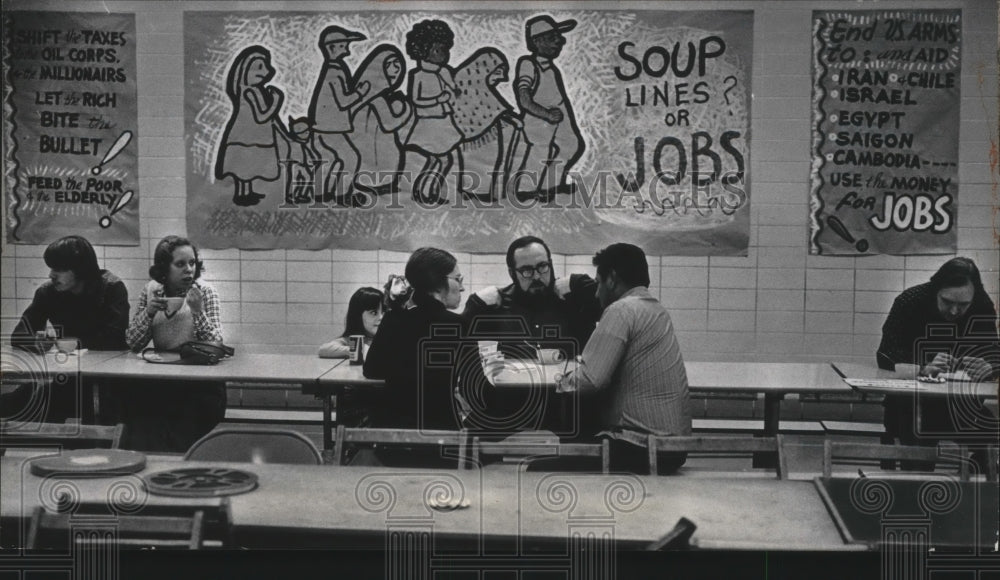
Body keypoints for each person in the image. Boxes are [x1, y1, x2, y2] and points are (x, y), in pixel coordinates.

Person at [556, 243, 692, 475]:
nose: (596, 293)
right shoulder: (656, 310)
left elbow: (590, 380)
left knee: (538, 466)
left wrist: (558, 380)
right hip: (674, 448)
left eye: (598, 283)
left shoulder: (620, 310)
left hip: (639, 446)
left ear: (612, 279)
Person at [877, 257, 999, 470]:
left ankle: (974, 481)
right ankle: (916, 484)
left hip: (960, 406)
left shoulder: (982, 305)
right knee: (918, 441)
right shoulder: (910, 301)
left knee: (992, 435)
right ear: (935, 289)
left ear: (974, 297)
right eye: (947, 301)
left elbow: (993, 351)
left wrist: (989, 366)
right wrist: (923, 366)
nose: (954, 311)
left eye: (963, 305)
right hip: (910, 405)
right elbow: (886, 353)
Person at [363, 247, 476, 466]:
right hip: (442, 440)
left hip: (392, 441)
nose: (462, 286)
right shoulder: (459, 325)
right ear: (438, 282)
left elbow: (372, 369)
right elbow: (474, 386)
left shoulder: (393, 320)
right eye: (458, 279)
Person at [6, 236, 129, 423]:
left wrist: (71, 344)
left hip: (109, 376)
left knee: (104, 411)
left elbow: (116, 337)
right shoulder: (48, 292)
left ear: (80, 269)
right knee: (31, 402)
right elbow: (18, 336)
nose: (51, 275)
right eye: (51, 268)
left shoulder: (111, 288)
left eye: (59, 269)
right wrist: (36, 342)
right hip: (70, 374)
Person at [121, 236, 226, 453]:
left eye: (192, 263)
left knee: (183, 427)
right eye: (180, 264)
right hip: (161, 378)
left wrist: (198, 312)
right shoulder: (151, 291)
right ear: (164, 269)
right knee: (136, 411)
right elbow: (133, 343)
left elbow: (216, 344)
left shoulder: (205, 292)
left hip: (198, 382)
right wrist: (148, 313)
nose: (189, 270)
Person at [463, 236, 601, 356]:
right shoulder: (496, 305)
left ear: (551, 265)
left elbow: (610, 309)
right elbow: (460, 343)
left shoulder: (574, 295)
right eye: (526, 270)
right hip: (515, 379)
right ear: (512, 273)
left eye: (542, 266)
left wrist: (583, 285)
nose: (536, 276)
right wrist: (475, 304)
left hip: (570, 378)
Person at [511, 15, 584, 202]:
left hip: (560, 115)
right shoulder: (528, 64)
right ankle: (526, 189)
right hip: (538, 117)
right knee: (539, 151)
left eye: (559, 37)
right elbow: (524, 98)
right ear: (537, 41)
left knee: (571, 144)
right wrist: (546, 114)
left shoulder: (551, 68)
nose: (559, 41)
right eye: (552, 37)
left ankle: (550, 184)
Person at [215, 45, 289, 207]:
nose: (265, 72)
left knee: (249, 166)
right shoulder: (249, 92)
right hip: (246, 137)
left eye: (265, 67)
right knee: (244, 167)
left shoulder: (255, 90)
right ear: (244, 70)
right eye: (258, 67)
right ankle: (241, 195)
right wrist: (276, 101)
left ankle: (246, 192)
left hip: (254, 135)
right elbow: (262, 116)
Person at [402, 19, 462, 206]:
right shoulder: (418, 75)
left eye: (445, 49)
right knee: (442, 160)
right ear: (423, 51)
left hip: (443, 122)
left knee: (439, 160)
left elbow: (454, 88)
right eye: (437, 50)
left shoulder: (443, 72)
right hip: (429, 122)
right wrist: (438, 99)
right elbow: (416, 100)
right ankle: (426, 191)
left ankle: (425, 191)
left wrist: (454, 91)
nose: (444, 55)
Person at [308, 25, 370, 205]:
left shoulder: (332, 68)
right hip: (331, 127)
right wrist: (361, 92)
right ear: (332, 48)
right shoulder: (334, 71)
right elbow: (343, 102)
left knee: (328, 160)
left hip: (323, 125)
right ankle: (342, 194)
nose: (347, 49)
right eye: (343, 45)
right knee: (351, 158)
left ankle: (321, 193)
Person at [452, 48, 523, 202]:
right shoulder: (467, 85)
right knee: (477, 162)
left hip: (485, 135)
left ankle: (484, 192)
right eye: (497, 73)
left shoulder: (483, 89)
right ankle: (474, 192)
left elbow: (495, 109)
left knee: (489, 162)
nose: (501, 79)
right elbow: (490, 109)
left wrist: (511, 119)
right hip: (472, 139)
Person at [350, 45, 412, 197]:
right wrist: (407, 109)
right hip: (372, 153)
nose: (395, 69)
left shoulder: (366, 95)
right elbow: (389, 124)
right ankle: (376, 185)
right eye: (388, 64)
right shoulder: (376, 98)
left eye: (397, 64)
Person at [318, 287, 384, 358]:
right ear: (358, 316)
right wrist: (357, 350)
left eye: (384, 312)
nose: (381, 317)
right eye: (374, 312)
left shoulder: (388, 337)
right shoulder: (354, 340)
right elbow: (323, 349)